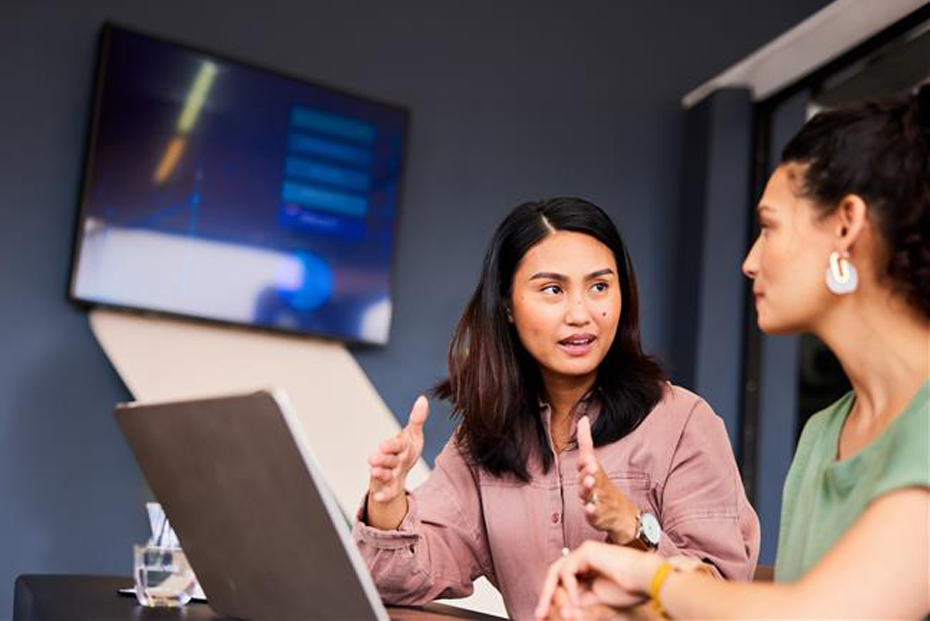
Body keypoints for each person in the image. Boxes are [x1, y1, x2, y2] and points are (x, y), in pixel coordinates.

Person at [537, 86, 930, 619]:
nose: (749, 261)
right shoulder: (822, 436)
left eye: (768, 227)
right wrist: (635, 607)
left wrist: (654, 579)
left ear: (846, 225)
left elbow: (822, 613)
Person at [352, 197, 760, 619]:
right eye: (553, 290)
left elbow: (722, 602)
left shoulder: (682, 423)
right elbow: (392, 583)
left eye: (599, 286)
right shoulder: (484, 437)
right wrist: (387, 502)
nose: (581, 314)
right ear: (508, 304)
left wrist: (631, 525)